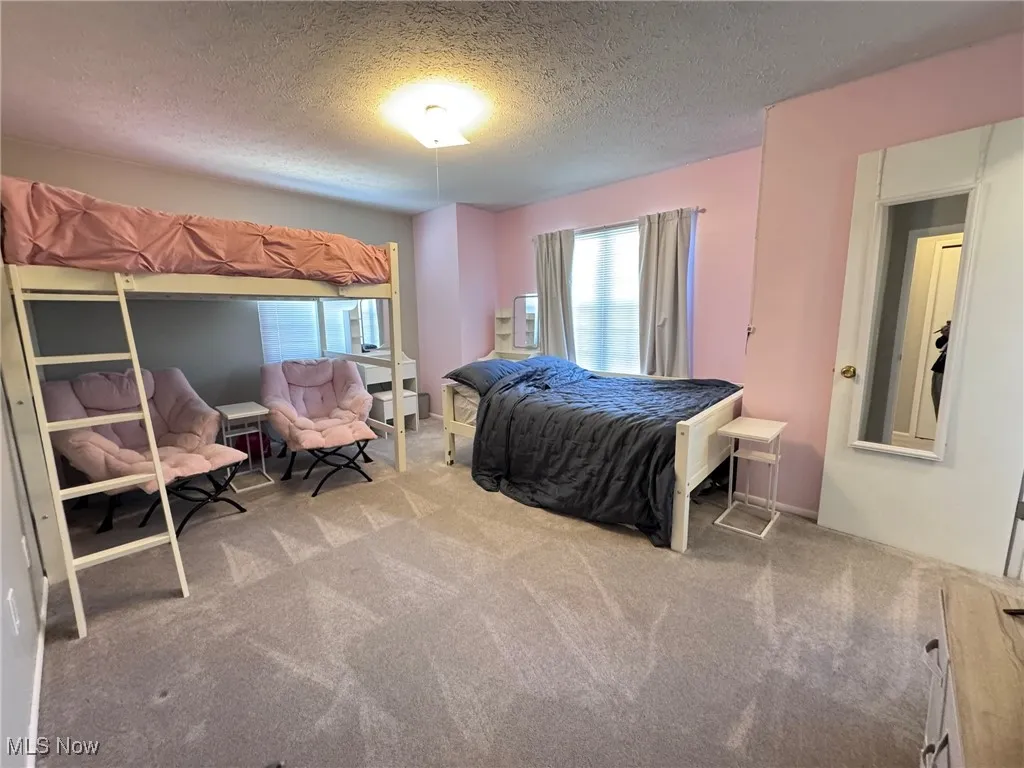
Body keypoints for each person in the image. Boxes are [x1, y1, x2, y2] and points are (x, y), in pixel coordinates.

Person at [931, 320, 950, 416]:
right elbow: (938, 344)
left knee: (943, 409)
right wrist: (947, 335)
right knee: (938, 403)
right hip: (939, 370)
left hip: (947, 372)